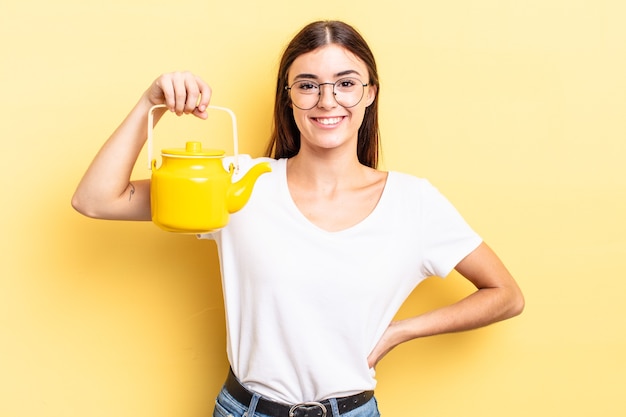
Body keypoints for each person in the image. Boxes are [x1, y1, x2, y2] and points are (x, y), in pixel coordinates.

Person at [72, 20, 524, 417]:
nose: (327, 100)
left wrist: (401, 331)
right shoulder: (240, 183)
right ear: (289, 99)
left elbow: (506, 295)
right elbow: (97, 199)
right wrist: (150, 103)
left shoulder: (415, 202)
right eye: (308, 85)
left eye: (345, 83)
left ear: (370, 93)